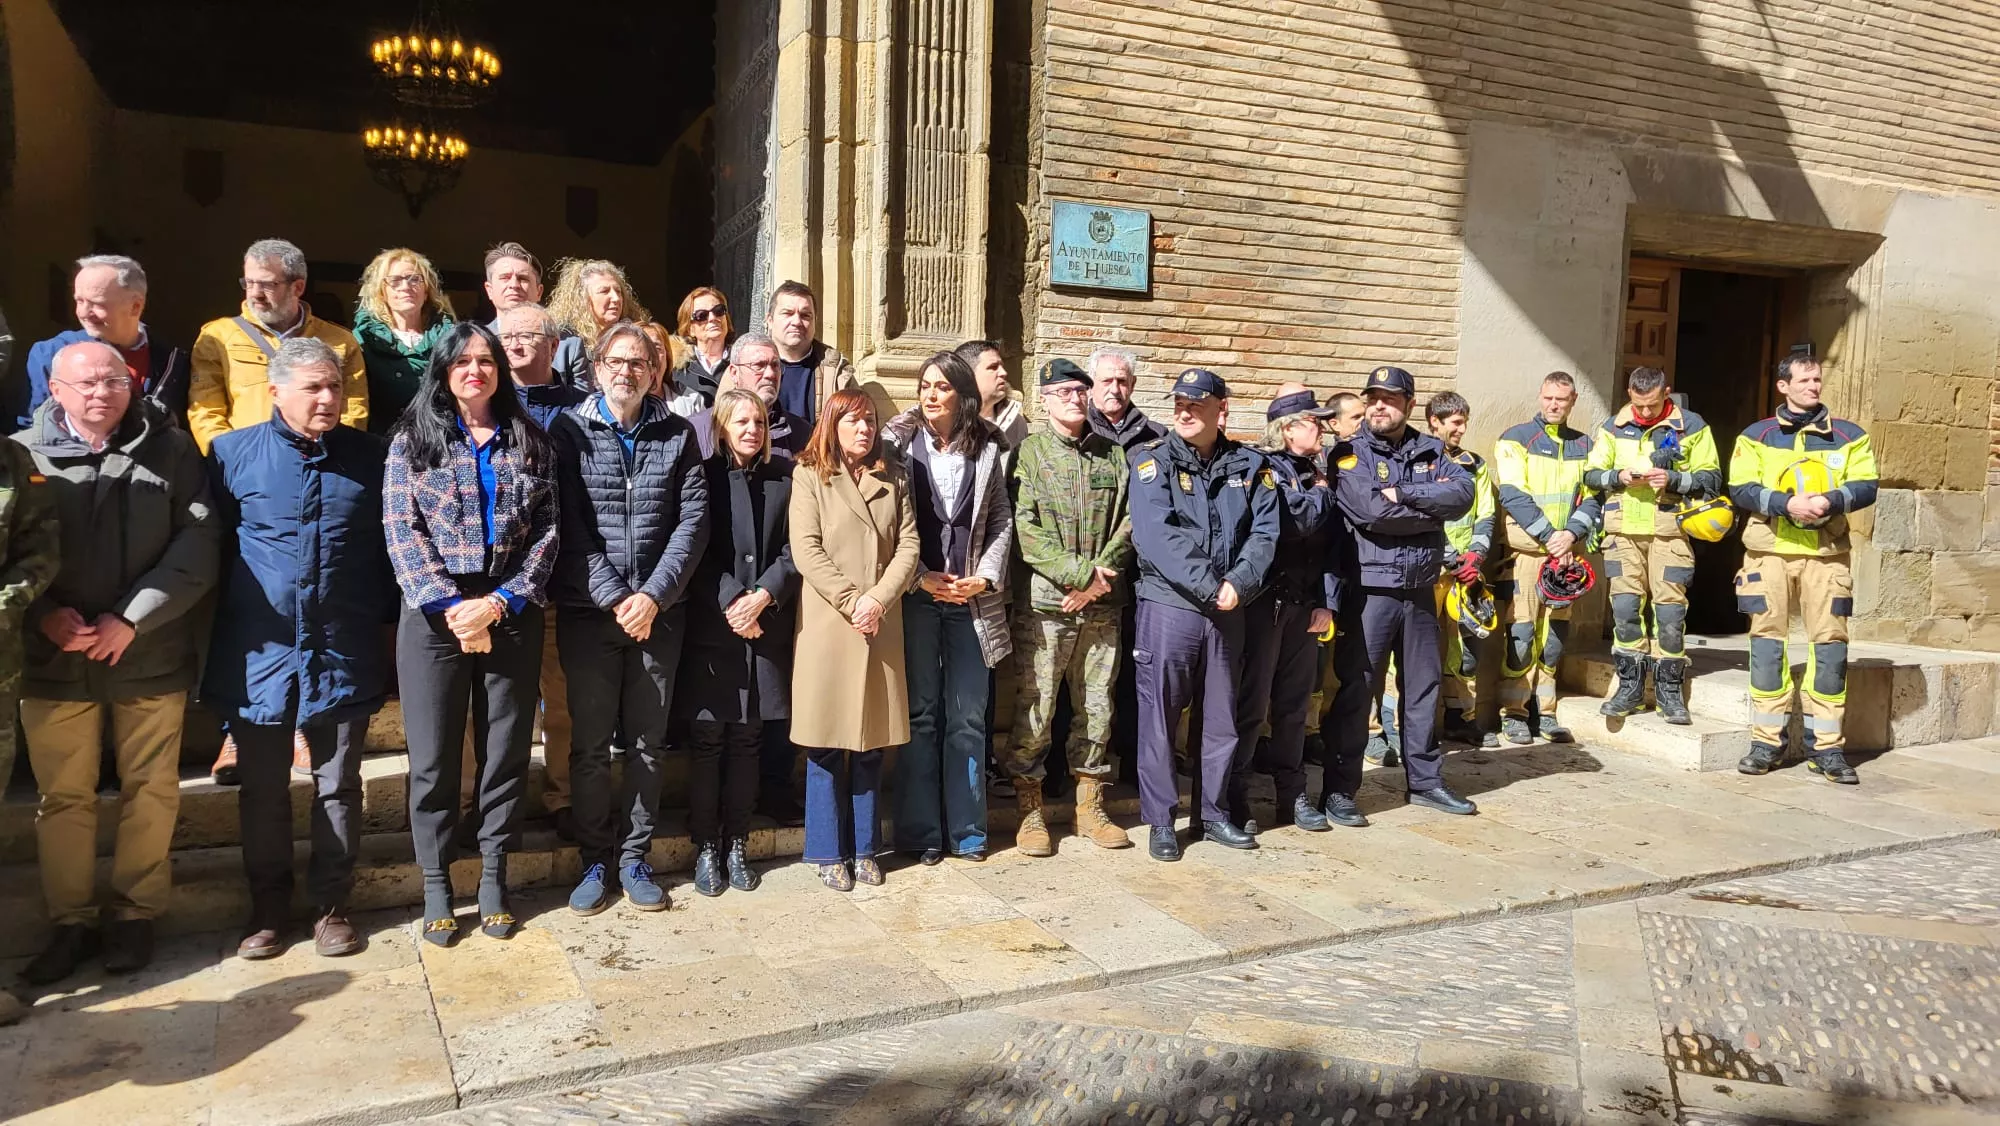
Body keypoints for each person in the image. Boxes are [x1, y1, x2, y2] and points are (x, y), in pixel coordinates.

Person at [14, 341, 218, 983]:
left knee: (151, 787)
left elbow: (200, 539)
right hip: (53, 655)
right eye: (86, 383)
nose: (102, 392)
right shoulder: (19, 454)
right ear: (54, 389)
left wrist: (133, 617)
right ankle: (70, 921)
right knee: (63, 796)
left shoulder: (172, 448)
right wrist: (43, 615)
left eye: (114, 381)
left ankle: (135, 914)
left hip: (147, 647)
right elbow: (8, 552)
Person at [203, 338, 393, 960]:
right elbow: (212, 550)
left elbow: (387, 554)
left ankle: (332, 907)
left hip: (342, 646)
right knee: (262, 789)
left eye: (334, 386)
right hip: (259, 652)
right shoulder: (232, 455)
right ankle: (267, 911)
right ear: (276, 392)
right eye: (313, 387)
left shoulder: (371, 457)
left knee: (338, 784)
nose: (327, 398)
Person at [384, 323, 559, 946]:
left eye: (486, 361)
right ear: (443, 370)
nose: (475, 371)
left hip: (510, 610)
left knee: (505, 753)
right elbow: (402, 531)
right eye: (462, 362)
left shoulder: (529, 439)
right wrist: (455, 607)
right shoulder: (412, 441)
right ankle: (436, 883)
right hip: (433, 616)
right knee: (433, 758)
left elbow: (548, 531)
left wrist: (500, 602)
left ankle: (493, 878)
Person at [550, 322, 708, 915]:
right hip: (590, 614)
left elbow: (693, 521)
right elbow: (566, 524)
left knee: (647, 744)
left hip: (659, 617)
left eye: (638, 362)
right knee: (591, 746)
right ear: (596, 369)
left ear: (654, 372)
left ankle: (635, 857)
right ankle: (595, 858)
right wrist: (616, 597)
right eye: (616, 362)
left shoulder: (678, 434)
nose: (627, 372)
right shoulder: (568, 432)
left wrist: (654, 596)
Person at [1127, 369, 1280, 861]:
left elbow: (1265, 533)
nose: (1185, 412)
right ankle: (1161, 820)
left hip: (1229, 608)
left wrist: (1240, 583)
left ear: (1222, 409)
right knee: (1159, 718)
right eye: (1179, 404)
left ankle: (1212, 814)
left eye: (1196, 404)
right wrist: (1214, 588)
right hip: (1170, 605)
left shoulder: (1251, 466)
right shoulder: (1151, 461)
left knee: (1221, 718)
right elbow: (1157, 535)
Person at [1323, 366, 1477, 823]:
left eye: (1389, 399)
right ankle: (1339, 790)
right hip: (1371, 591)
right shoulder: (1349, 454)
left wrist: (1403, 492)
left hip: (1420, 589)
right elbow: (1371, 513)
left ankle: (1425, 782)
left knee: (1424, 689)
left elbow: (1462, 495)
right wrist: (1429, 508)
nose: (1378, 406)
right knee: (1358, 691)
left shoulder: (1431, 449)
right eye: (1373, 398)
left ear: (1409, 404)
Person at [882, 350, 1014, 864]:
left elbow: (1000, 518)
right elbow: (888, 524)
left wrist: (986, 577)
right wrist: (919, 577)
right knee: (920, 715)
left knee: (967, 717)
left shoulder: (989, 447)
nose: (930, 394)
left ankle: (968, 833)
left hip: (971, 603)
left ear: (962, 395)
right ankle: (920, 833)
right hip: (917, 598)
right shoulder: (897, 444)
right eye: (924, 386)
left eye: (941, 386)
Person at [1001, 359, 1133, 855]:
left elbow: (1130, 522)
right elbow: (1025, 530)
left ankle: (1089, 807)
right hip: (1046, 607)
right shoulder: (1029, 454)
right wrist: (1079, 576)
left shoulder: (1112, 456)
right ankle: (1029, 809)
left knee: (1097, 709)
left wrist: (1096, 581)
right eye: (1063, 392)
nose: (1075, 398)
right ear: (1045, 399)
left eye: (1081, 390)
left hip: (1102, 607)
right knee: (1036, 709)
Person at [789, 388, 919, 890]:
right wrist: (852, 602)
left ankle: (865, 849)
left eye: (871, 421)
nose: (865, 429)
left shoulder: (894, 475)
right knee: (825, 741)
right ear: (833, 424)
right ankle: (827, 851)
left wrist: (878, 600)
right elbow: (806, 549)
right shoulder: (810, 475)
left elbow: (909, 545)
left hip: (879, 624)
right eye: (854, 421)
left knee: (871, 742)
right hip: (830, 624)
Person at [1730, 348, 1877, 784]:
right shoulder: (1756, 435)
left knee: (1830, 649)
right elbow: (1740, 487)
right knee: (1767, 647)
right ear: (1783, 386)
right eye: (1805, 380)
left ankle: (1826, 749)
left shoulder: (1849, 435)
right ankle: (1766, 743)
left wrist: (1829, 502)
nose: (1814, 386)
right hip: (1768, 552)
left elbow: (1866, 485)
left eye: (1817, 380)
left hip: (1826, 556)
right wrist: (1786, 504)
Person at [678, 389, 798, 894]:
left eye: (760, 422)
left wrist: (765, 595)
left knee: (749, 740)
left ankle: (737, 842)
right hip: (714, 627)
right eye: (741, 421)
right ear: (721, 426)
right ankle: (707, 844)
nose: (752, 430)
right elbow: (694, 551)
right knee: (709, 740)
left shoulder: (784, 478)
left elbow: (795, 549)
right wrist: (733, 601)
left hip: (764, 628)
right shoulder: (701, 476)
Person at [1232, 384, 1344, 835]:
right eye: (1314, 422)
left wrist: (1327, 602)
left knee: (1295, 707)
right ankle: (1234, 797)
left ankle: (1292, 795)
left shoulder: (1314, 471)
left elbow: (1333, 543)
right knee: (1251, 706)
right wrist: (1324, 493)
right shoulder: (1263, 468)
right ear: (1288, 428)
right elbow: (1295, 521)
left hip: (1305, 605)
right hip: (1265, 606)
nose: (1323, 429)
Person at [493, 301, 585, 836]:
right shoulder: (485, 405)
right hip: (497, 584)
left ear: (554, 345)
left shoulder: (581, 408)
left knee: (563, 702)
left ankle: (563, 798)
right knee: (496, 707)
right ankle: (485, 805)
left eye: (528, 335)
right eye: (507, 335)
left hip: (561, 582)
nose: (515, 343)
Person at [1585, 366, 1722, 725]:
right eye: (1639, 404)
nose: (1645, 412)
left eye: (1652, 404)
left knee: (1670, 613)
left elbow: (1712, 478)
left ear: (1666, 392)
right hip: (1622, 533)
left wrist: (1674, 478)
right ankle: (1629, 688)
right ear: (1629, 393)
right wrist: (1618, 476)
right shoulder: (1613, 426)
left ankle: (1669, 693)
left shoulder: (1691, 426)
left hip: (1669, 532)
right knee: (1626, 609)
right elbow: (1591, 474)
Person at [1492, 371, 1598, 745]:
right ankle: (1514, 713)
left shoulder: (1586, 445)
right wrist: (1551, 536)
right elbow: (1513, 494)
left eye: (1562, 399)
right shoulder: (1516, 439)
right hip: (1527, 554)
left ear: (1572, 402)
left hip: (1566, 558)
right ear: (1540, 396)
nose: (1554, 405)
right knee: (1521, 635)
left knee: (1554, 637)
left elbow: (1594, 497)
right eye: (1549, 398)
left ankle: (1546, 713)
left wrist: (1570, 535)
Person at [189, 238, 368, 455]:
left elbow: (353, 409)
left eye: (267, 284)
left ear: (298, 287)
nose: (255, 294)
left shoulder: (340, 340)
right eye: (249, 283)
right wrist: (229, 458)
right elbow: (206, 410)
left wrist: (333, 456)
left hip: (321, 460)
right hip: (246, 461)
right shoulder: (218, 336)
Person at [17, 254, 189, 434]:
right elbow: (32, 428)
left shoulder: (174, 362)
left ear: (135, 306)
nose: (84, 312)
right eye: (79, 301)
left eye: (97, 304)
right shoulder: (50, 354)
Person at [1427, 392, 1499, 747]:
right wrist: (1452, 559)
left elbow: (1486, 514)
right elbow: (1424, 515)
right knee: (1414, 652)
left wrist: (1475, 557)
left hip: (1466, 574)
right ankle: (1401, 729)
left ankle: (1461, 719)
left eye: (1464, 422)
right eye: (1456, 423)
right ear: (1434, 422)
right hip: (1429, 571)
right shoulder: (1419, 461)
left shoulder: (1475, 465)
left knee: (1467, 649)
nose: (1462, 429)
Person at [353, 247, 456, 433]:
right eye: (395, 281)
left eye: (414, 279)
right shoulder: (364, 339)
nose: (406, 286)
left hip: (438, 437)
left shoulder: (450, 337)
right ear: (382, 292)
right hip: (382, 439)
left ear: (426, 291)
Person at [766, 280, 857, 427]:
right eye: (787, 313)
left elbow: (855, 423)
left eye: (805, 315)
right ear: (770, 320)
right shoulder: (746, 366)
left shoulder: (837, 372)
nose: (796, 322)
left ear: (815, 321)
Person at [549, 259, 650, 391]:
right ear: (583, 299)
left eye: (618, 291)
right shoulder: (566, 343)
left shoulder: (637, 338)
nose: (616, 298)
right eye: (604, 291)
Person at [957, 339, 1027, 453]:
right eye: (993, 367)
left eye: (1002, 366)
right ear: (967, 374)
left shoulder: (1016, 423)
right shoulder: (944, 421)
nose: (1004, 373)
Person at [671, 287, 733, 407]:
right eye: (701, 315)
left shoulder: (742, 362)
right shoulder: (675, 369)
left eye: (719, 310)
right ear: (690, 329)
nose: (713, 318)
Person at [482, 242, 545, 322]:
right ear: (489, 290)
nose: (514, 285)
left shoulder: (557, 330)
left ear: (539, 292)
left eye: (523, 278)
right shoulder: (474, 331)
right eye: (505, 278)